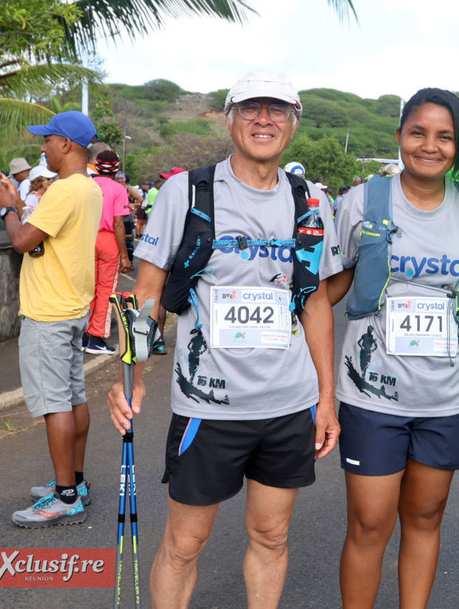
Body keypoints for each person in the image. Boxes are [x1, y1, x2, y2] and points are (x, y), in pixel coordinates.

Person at [107, 71, 342, 609]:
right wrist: (131, 378)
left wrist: (326, 399)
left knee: (272, 537)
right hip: (207, 407)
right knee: (185, 543)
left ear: (294, 125)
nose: (265, 120)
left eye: (277, 110)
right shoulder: (186, 191)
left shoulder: (312, 201)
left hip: (289, 403)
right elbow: (148, 292)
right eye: (252, 109)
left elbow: (316, 303)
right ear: (230, 119)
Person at [328, 87, 459, 609]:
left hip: (446, 395)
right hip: (372, 394)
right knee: (370, 522)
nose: (430, 145)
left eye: (445, 137)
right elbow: (324, 285)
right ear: (399, 136)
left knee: (424, 517)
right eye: (418, 132)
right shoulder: (365, 201)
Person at [0, 111, 101, 528]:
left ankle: (65, 496)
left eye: (48, 140)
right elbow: (44, 246)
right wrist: (18, 206)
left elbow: (21, 242)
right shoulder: (88, 190)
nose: (43, 148)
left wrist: (7, 209)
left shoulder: (63, 192)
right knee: (73, 396)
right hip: (72, 307)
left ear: (67, 145)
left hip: (48, 312)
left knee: (55, 404)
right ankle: (76, 482)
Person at [82, 150, 134, 355]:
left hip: (86, 238)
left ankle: (85, 334)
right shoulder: (118, 189)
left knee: (88, 288)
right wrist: (124, 255)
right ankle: (96, 337)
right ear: (116, 168)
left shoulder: (87, 185)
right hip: (108, 240)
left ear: (97, 165)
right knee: (106, 289)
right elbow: (118, 223)